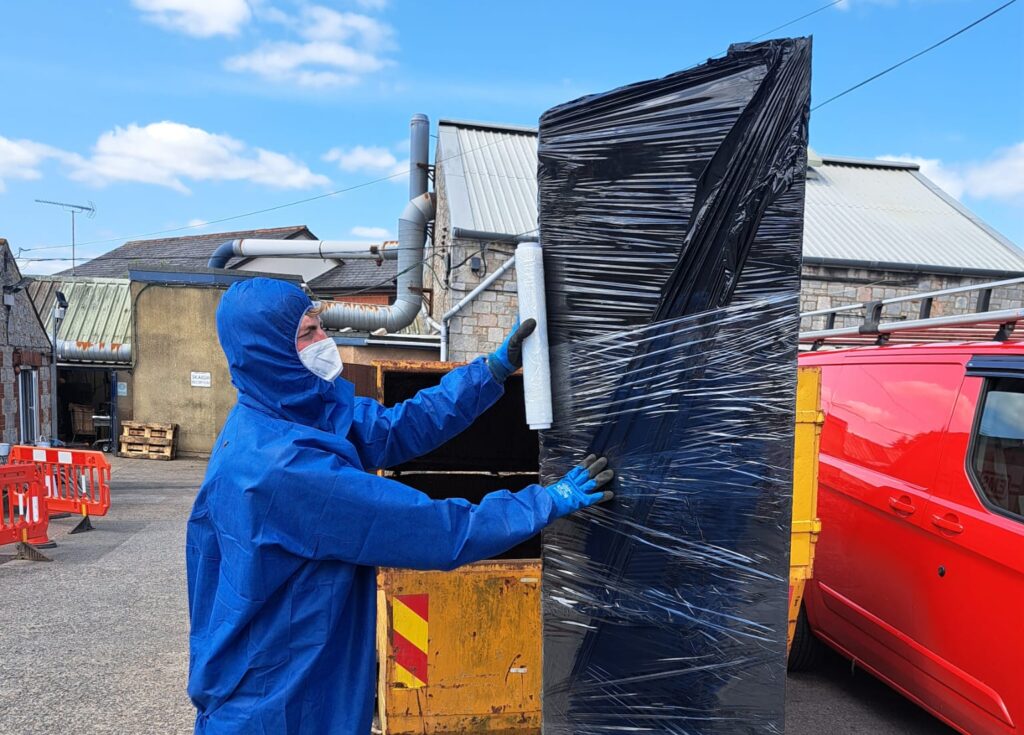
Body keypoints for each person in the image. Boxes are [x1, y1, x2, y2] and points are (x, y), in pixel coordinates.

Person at [186, 277, 614, 734]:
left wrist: (487, 372)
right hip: (279, 700)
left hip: (274, 667)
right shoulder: (283, 469)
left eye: (320, 326)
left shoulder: (283, 410)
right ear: (266, 351)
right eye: (307, 334)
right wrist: (545, 501)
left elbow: (393, 429)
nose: (324, 342)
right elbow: (434, 530)